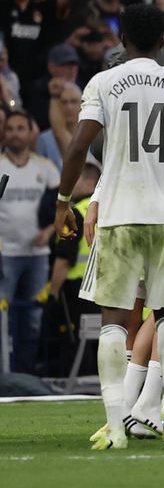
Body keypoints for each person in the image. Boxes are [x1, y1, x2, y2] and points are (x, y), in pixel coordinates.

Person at [53, 3, 164, 449]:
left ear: (124, 37)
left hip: (119, 215)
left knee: (114, 322)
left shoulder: (103, 82)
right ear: (161, 41)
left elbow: (77, 148)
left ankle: (116, 423)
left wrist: (63, 202)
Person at [0, 111, 60, 373]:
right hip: (5, 254)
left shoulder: (45, 168)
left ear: (30, 132)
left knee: (34, 317)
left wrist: (48, 231)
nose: (15, 133)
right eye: (10, 128)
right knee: (2, 319)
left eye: (20, 128)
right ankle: (5, 376)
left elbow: (59, 208)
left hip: (37, 254)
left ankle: (26, 376)